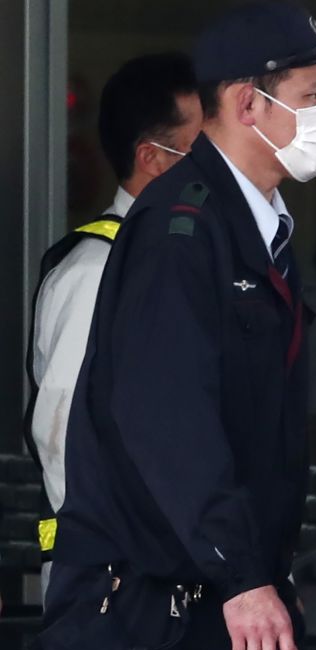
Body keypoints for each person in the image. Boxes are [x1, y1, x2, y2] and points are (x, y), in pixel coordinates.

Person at [14, 3, 316, 650]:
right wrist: (242, 574)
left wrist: (266, 574)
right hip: (147, 618)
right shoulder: (182, 229)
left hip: (235, 610)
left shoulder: (256, 228)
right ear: (247, 103)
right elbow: (165, 419)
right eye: (315, 93)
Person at [25, 52, 201, 599]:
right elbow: (61, 437)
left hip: (182, 589)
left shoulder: (184, 260)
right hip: (115, 596)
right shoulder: (97, 271)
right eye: (205, 150)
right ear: (153, 157)